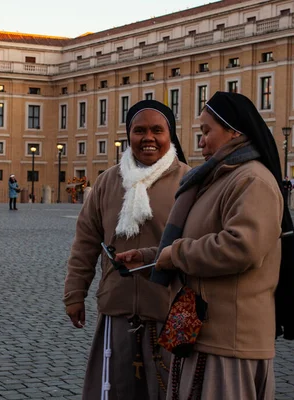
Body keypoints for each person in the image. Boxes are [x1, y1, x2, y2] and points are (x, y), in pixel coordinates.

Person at [116, 92, 294, 400]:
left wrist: (175, 254)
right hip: (203, 332)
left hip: (230, 338)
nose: (201, 141)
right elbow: (197, 238)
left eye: (207, 131)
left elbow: (241, 247)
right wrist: (150, 257)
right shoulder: (217, 178)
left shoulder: (252, 181)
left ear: (234, 131)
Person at [63, 100, 189, 400]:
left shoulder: (188, 181)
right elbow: (86, 242)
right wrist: (74, 293)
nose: (148, 138)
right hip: (117, 308)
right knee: (116, 390)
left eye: (157, 130)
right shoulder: (108, 181)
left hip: (167, 309)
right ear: (128, 135)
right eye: (139, 130)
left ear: (170, 134)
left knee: (164, 391)